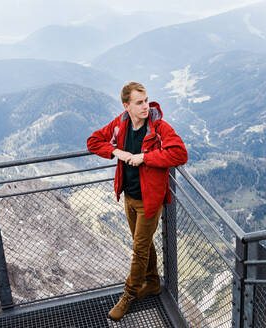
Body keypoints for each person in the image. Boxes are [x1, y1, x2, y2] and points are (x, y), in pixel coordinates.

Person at [87, 81, 188, 321]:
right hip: (129, 197)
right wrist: (116, 152)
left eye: (146, 101)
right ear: (127, 106)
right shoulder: (119, 125)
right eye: (139, 103)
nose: (146, 106)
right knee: (141, 243)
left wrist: (145, 157)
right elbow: (93, 141)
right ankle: (152, 282)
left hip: (149, 201)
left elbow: (180, 154)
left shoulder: (159, 128)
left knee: (139, 249)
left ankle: (128, 295)